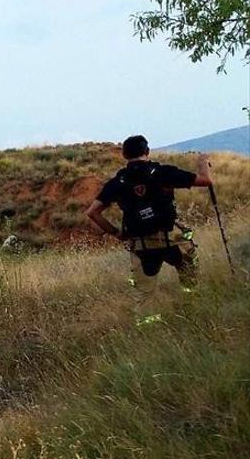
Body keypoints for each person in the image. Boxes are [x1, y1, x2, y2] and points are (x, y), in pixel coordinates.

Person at [85, 135, 213, 321]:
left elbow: (93, 212)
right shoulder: (162, 172)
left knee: (144, 297)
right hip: (171, 240)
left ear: (124, 155)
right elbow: (205, 181)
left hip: (141, 247)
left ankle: (148, 330)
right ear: (147, 151)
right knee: (189, 268)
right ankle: (190, 308)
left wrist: (116, 233)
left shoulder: (117, 182)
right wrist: (203, 161)